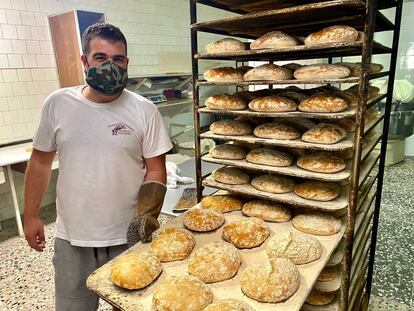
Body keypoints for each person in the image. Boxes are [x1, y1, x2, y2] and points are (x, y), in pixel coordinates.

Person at [23, 23, 172, 311]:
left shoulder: (144, 110)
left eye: (118, 59)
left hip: (127, 237)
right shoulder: (58, 103)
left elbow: (155, 169)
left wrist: (147, 216)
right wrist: (31, 215)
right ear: (84, 61)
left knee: (129, 307)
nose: (110, 66)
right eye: (101, 58)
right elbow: (40, 162)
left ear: (127, 63)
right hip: (73, 238)